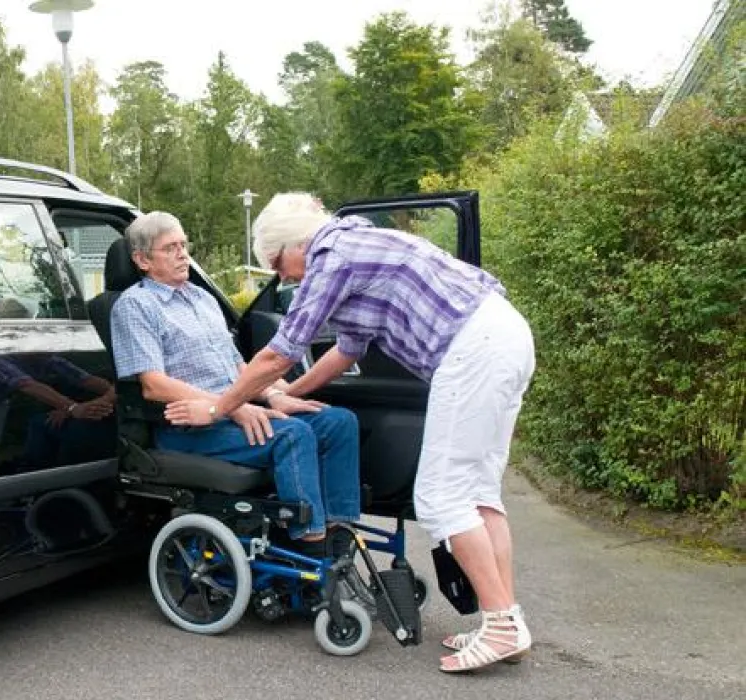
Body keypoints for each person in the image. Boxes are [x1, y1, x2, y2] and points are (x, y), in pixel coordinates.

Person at [163, 193, 536, 673]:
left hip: (472, 349)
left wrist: (219, 407)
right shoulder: (357, 245)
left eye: (278, 264)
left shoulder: (331, 257)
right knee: (479, 494)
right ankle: (504, 621)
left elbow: (277, 353)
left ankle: (501, 625)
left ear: (294, 245)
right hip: (504, 335)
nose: (283, 277)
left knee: (442, 497)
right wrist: (285, 394)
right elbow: (346, 351)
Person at [109, 210, 362, 555]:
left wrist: (272, 395)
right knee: (293, 435)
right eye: (170, 248)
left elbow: (238, 366)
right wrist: (230, 407)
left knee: (338, 422)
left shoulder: (202, 299)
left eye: (183, 245)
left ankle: (339, 533)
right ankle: (311, 547)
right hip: (189, 427)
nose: (183, 254)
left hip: (230, 411)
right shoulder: (135, 306)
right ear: (142, 260)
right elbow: (154, 385)